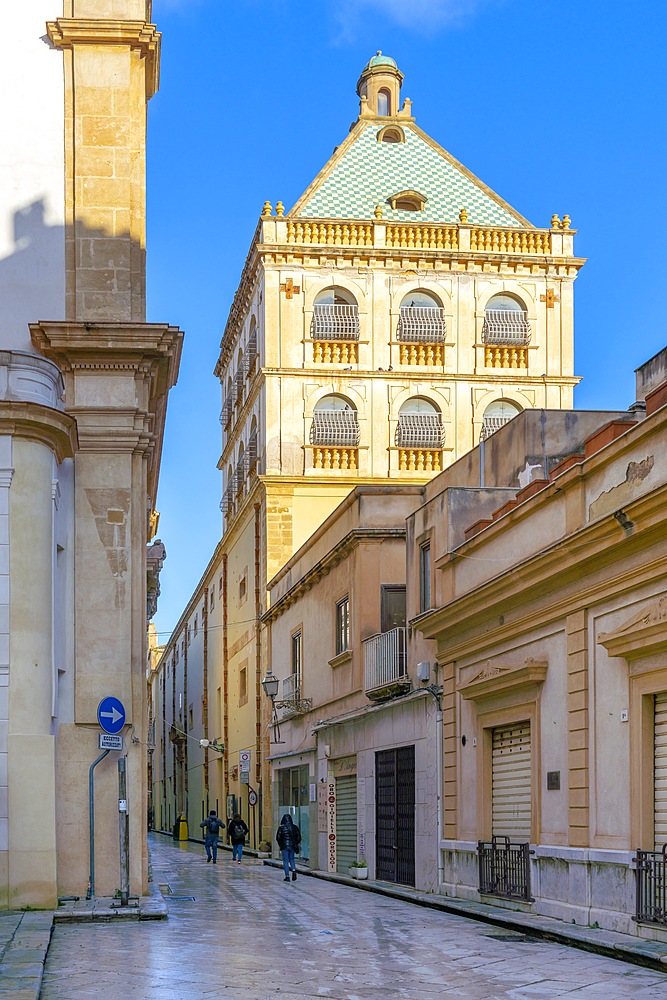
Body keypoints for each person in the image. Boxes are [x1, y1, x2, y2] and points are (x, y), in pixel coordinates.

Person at [276, 814, 301, 882]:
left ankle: (287, 876)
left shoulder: (281, 828)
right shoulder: (295, 827)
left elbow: (278, 837)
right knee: (292, 859)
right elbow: (299, 837)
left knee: (285, 861)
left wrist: (281, 844)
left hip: (284, 846)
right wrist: (295, 843)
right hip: (292, 846)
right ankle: (294, 870)